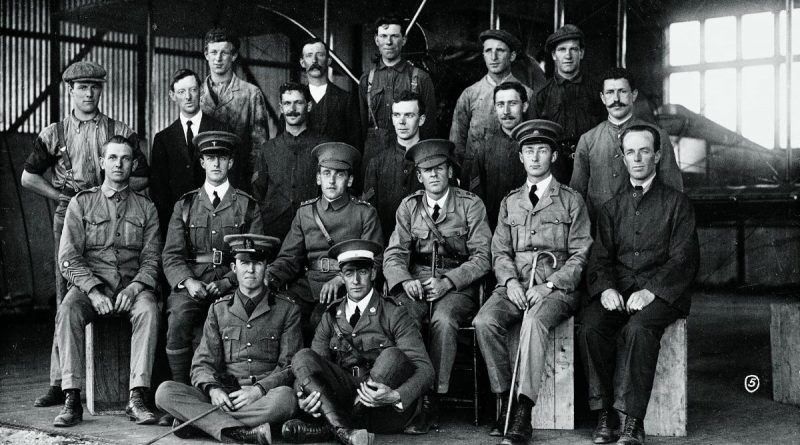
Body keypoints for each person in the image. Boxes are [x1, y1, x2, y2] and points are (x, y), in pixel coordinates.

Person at [23, 60, 149, 410]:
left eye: (94, 86)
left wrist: (114, 186)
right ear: (70, 91)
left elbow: (143, 176)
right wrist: (63, 196)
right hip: (72, 214)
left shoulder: (118, 128)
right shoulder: (54, 133)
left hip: (115, 208)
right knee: (68, 293)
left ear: (101, 90)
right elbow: (28, 177)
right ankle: (60, 382)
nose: (89, 92)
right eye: (82, 87)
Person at [576, 124, 699, 445]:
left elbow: (683, 259)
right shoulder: (611, 208)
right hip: (619, 291)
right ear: (623, 158)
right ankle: (605, 414)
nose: (638, 158)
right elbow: (599, 259)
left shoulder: (677, 203)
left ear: (657, 155)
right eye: (631, 152)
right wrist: (605, 289)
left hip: (663, 293)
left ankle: (633, 422)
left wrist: (651, 291)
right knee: (590, 326)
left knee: (638, 330)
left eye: (645, 150)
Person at [472, 120, 592, 444]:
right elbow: (499, 251)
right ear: (521, 157)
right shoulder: (510, 202)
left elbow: (581, 254)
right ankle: (503, 401)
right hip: (516, 286)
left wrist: (549, 285)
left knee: (534, 322)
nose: (535, 156)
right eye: (529, 151)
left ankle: (522, 411)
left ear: (553, 156)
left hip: (557, 289)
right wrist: (510, 281)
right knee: (484, 321)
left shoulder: (570, 200)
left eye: (542, 150)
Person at [49, 135, 160, 427]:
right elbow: (68, 257)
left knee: (149, 310)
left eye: (125, 159)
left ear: (134, 164)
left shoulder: (146, 208)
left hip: (131, 288)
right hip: (91, 287)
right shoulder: (81, 203)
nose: (119, 165)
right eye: (112, 158)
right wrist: (94, 291)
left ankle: (137, 397)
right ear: (101, 162)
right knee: (69, 308)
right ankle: (72, 398)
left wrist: (136, 287)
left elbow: (151, 260)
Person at [383, 139, 492, 434]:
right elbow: (394, 254)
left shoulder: (471, 205)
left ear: (449, 172)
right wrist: (405, 281)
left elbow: (483, 257)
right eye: (426, 170)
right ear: (418, 175)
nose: (433, 175)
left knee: (443, 321)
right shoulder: (409, 207)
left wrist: (448, 281)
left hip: (457, 285)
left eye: (439, 168)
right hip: (416, 282)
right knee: (402, 319)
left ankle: (433, 397)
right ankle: (404, 392)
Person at [280, 239, 434, 445]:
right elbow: (315, 365)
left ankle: (330, 428)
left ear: (372, 274)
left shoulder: (394, 313)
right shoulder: (332, 314)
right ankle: (345, 431)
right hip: (344, 395)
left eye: (362, 272)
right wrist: (303, 394)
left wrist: (395, 396)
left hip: (382, 409)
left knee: (392, 356)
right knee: (302, 357)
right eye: (349, 273)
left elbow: (425, 369)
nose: (356, 280)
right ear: (342, 277)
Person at [155, 234, 300, 444]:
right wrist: (213, 389)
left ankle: (203, 423)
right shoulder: (219, 309)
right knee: (164, 392)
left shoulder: (287, 309)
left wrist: (258, 391)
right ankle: (239, 432)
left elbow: (288, 366)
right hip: (225, 396)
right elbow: (202, 363)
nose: (251, 270)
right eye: (244, 263)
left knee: (286, 399)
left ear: (266, 267)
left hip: (264, 397)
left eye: (258, 263)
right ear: (234, 267)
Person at [162, 131, 263, 386]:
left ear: (231, 162)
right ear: (202, 162)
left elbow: (255, 257)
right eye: (210, 157)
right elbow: (172, 255)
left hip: (234, 286)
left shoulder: (247, 206)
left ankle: (228, 388)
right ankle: (180, 390)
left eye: (222, 157)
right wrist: (188, 282)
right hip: (194, 284)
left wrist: (229, 282)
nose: (216, 164)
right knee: (178, 319)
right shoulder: (185, 205)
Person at [266, 142, 383, 329]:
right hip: (309, 285)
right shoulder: (305, 213)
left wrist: (340, 279)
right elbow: (289, 259)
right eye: (326, 173)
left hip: (348, 286)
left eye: (340, 174)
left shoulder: (364, 214)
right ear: (318, 178)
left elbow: (375, 260)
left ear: (350, 180)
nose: (332, 180)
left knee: (319, 320)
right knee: (280, 312)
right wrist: (269, 276)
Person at [570, 67, 683, 222]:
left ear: (634, 95)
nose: (616, 98)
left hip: (645, 227)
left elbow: (673, 189)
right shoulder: (588, 140)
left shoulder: (657, 135)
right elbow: (576, 195)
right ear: (603, 98)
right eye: (610, 92)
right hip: (599, 232)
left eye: (622, 91)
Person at [150, 68, 227, 238]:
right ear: (172, 95)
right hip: (177, 224)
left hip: (215, 221)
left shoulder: (220, 131)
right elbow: (159, 191)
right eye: (181, 91)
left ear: (201, 91)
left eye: (193, 90)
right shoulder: (163, 138)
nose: (188, 97)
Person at [359, 15, 437, 179]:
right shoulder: (367, 80)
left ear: (404, 40)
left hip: (410, 158)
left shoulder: (421, 78)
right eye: (383, 36)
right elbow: (360, 128)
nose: (388, 42)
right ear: (376, 40)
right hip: (373, 160)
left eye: (394, 36)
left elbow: (429, 128)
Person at [200, 27, 275, 192]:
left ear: (233, 55)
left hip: (239, 180)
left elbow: (260, 145)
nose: (218, 59)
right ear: (206, 55)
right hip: (202, 180)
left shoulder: (250, 93)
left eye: (224, 53)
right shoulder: (196, 94)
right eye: (213, 52)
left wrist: (253, 184)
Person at [252, 82, 328, 240]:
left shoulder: (324, 147)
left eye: (298, 103)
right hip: (275, 234)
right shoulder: (268, 149)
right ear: (281, 108)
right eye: (287, 103)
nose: (292, 109)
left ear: (308, 106)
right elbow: (257, 195)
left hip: (313, 232)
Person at [532, 24, 605, 184]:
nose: (568, 55)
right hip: (554, 169)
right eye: (562, 49)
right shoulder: (541, 95)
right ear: (553, 55)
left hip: (593, 166)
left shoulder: (598, 91)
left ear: (582, 53)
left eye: (573, 49)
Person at [450, 29, 534, 163]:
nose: (493, 57)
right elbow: (457, 144)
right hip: (476, 174)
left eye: (500, 51)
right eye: (488, 51)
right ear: (483, 55)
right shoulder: (470, 94)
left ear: (512, 56)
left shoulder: (528, 94)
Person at [464, 82, 529, 230]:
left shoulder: (538, 146)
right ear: (494, 108)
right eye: (500, 104)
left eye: (512, 104)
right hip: (495, 231)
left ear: (524, 106)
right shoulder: (484, 149)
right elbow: (476, 198)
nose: (506, 111)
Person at [362, 91, 426, 237]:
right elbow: (369, 217)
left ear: (421, 120)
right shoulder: (377, 164)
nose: (401, 122)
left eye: (409, 115)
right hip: (387, 248)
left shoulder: (433, 162)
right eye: (397, 115)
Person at [301, 37, 362, 149]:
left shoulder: (345, 99)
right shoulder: (294, 100)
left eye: (320, 55)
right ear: (302, 62)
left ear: (329, 60)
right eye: (309, 55)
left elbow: (355, 145)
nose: (314, 60)